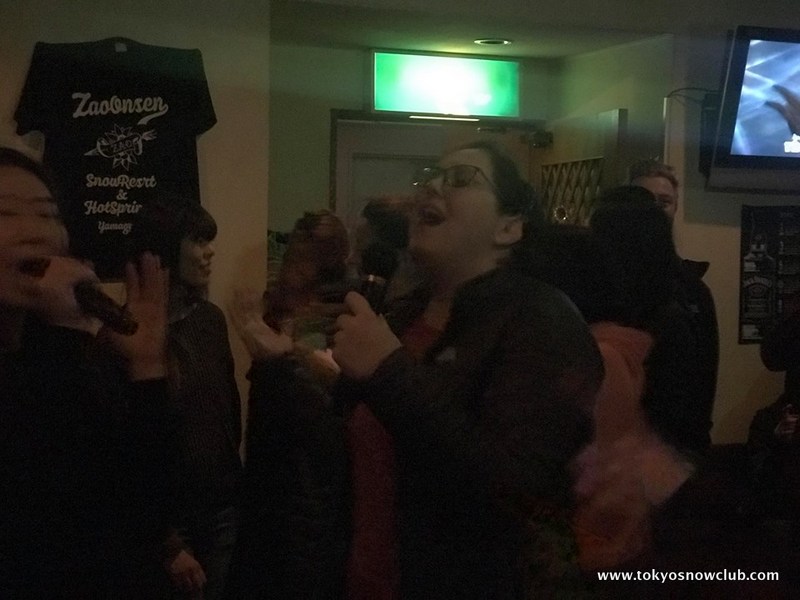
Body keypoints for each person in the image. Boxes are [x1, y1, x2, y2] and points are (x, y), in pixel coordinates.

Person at [330, 140, 604, 599]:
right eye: (430, 177)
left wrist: (388, 371)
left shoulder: (540, 320)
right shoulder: (402, 315)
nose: (431, 187)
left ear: (509, 226)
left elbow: (515, 488)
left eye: (460, 179)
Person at [0, 145, 176, 597]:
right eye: (6, 213)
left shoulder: (70, 354)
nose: (36, 231)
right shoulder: (60, 349)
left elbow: (145, 514)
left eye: (48, 214)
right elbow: (41, 527)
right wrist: (64, 335)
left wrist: (146, 367)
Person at [225, 209, 352, 600]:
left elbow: (338, 402)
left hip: (311, 480)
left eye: (307, 251)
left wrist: (288, 356)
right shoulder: (278, 304)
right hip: (270, 463)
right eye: (295, 247)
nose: (294, 259)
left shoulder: (340, 312)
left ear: (328, 259)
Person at [132, 198, 242, 600]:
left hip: (222, 506)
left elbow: (226, 409)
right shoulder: (130, 334)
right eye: (198, 241)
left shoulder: (209, 319)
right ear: (165, 247)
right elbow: (131, 446)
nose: (210, 251)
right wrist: (168, 541)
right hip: (168, 521)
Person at [628, 163, 720, 456]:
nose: (655, 210)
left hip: (678, 446)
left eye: (664, 202)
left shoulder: (694, 291)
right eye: (646, 200)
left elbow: (704, 379)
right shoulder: (607, 280)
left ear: (675, 207)